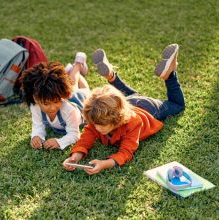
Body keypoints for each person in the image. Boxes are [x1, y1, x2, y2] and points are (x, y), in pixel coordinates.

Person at [63, 44, 185, 175]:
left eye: (102, 126)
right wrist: (76, 156)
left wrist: (105, 164)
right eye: (95, 125)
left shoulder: (133, 124)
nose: (97, 128)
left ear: (116, 119)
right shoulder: (97, 117)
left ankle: (169, 75)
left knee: (177, 104)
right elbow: (86, 138)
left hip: (148, 108)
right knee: (131, 96)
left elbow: (126, 151)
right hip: (128, 102)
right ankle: (111, 76)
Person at [19, 52, 91, 150]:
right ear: (36, 99)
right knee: (72, 85)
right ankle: (71, 70)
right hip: (65, 97)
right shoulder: (35, 106)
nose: (53, 107)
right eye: (46, 104)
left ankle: (78, 64)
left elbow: (74, 134)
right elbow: (38, 125)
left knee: (79, 88)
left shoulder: (69, 110)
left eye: (56, 102)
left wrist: (59, 141)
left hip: (80, 102)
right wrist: (37, 136)